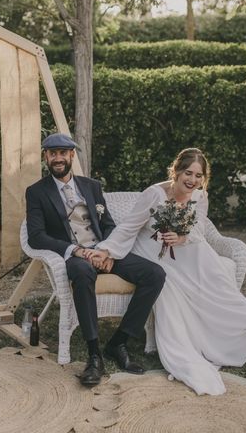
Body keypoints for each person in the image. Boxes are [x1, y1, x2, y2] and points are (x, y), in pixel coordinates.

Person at [88, 148, 246, 395]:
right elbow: (129, 227)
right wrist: (106, 250)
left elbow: (198, 230)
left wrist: (181, 236)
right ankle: (239, 321)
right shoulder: (154, 194)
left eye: (199, 176)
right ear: (176, 171)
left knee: (208, 259)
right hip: (149, 248)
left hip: (181, 247)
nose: (193, 180)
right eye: (188, 173)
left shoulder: (200, 196)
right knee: (190, 268)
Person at [25, 133, 166, 386]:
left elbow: (109, 225)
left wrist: (108, 251)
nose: (58, 158)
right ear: (46, 157)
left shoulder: (92, 186)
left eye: (62, 153)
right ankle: (94, 354)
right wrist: (75, 250)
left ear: (71, 155)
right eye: (52, 153)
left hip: (103, 250)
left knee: (155, 274)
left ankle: (119, 342)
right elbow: (36, 237)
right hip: (74, 256)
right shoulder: (36, 192)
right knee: (82, 272)